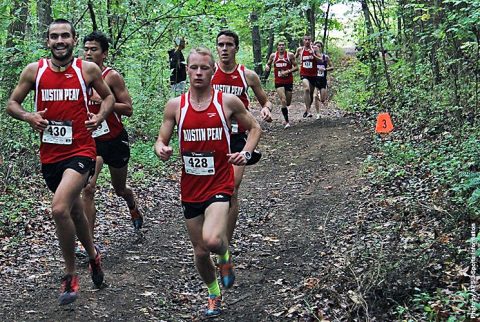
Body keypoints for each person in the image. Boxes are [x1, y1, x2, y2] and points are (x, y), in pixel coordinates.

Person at [5, 19, 112, 305]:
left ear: (74, 40)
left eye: (65, 35)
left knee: (59, 207)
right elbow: (11, 104)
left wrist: (100, 116)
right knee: (75, 213)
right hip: (50, 155)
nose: (60, 40)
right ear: (48, 41)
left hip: (81, 151)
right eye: (54, 36)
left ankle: (69, 275)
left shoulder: (87, 69)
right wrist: (29, 116)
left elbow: (109, 97)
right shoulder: (34, 71)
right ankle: (93, 256)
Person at [155, 47, 261, 317]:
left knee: (213, 240)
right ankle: (214, 293)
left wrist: (246, 153)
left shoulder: (227, 102)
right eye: (194, 68)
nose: (199, 72)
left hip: (219, 182)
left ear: (213, 71)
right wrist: (161, 149)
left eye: (204, 68)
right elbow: (161, 140)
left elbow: (254, 128)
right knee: (200, 251)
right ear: (186, 70)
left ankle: (225, 257)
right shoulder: (176, 106)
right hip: (191, 187)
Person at [211, 29, 272, 246]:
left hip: (237, 138)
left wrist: (266, 110)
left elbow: (265, 100)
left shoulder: (248, 75)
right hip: (212, 138)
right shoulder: (209, 73)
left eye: (229, 44)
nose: (224, 48)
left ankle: (225, 243)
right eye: (221, 45)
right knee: (211, 190)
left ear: (236, 48)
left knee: (231, 188)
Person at [82, 30, 143, 238]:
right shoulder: (79, 76)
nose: (88, 53)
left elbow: (128, 109)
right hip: (92, 142)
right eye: (86, 49)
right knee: (88, 188)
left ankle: (131, 202)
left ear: (104, 53)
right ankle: (89, 246)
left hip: (115, 139)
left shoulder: (112, 76)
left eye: (94, 49)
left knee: (119, 189)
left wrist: (106, 103)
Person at [265, 40, 298, 128]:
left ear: (285, 46)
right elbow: (268, 64)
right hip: (278, 81)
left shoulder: (290, 55)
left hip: (288, 81)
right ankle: (287, 121)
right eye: (280, 45)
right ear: (277, 47)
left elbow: (296, 67)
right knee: (283, 100)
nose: (281, 47)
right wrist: (267, 67)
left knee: (288, 102)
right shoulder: (273, 55)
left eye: (283, 45)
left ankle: (285, 113)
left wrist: (288, 71)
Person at [295, 35, 322, 118]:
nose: (307, 41)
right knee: (306, 89)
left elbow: (320, 60)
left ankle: (307, 109)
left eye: (308, 40)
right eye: (305, 39)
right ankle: (309, 111)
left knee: (310, 94)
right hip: (304, 73)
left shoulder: (315, 49)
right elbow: (293, 58)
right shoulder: (300, 49)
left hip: (313, 74)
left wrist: (314, 55)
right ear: (303, 40)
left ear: (311, 40)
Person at [313, 40, 334, 120]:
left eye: (319, 46)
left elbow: (332, 67)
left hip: (323, 79)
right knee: (314, 96)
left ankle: (320, 96)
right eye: (316, 46)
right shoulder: (312, 57)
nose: (317, 47)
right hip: (314, 79)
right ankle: (318, 113)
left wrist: (325, 69)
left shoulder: (325, 57)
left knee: (322, 99)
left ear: (321, 47)